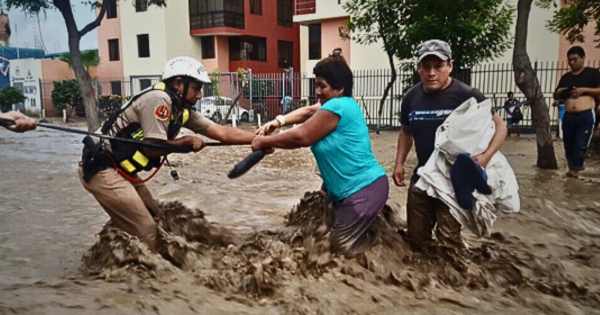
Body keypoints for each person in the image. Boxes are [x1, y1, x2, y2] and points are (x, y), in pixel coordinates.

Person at [78, 56, 257, 251]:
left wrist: (259, 139)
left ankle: (113, 250)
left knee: (158, 217)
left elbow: (222, 132)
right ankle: (144, 275)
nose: (199, 95)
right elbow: (152, 147)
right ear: (179, 83)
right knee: (148, 230)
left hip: (122, 170)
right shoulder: (159, 100)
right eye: (196, 88)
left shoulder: (181, 110)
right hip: (101, 167)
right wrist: (184, 142)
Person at [252, 54, 388, 258]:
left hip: (363, 191)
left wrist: (264, 142)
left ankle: (381, 254)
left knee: (340, 249)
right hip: (355, 191)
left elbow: (301, 137)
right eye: (316, 85)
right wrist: (277, 122)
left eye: (322, 86)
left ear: (340, 88)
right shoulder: (339, 104)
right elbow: (307, 111)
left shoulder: (338, 106)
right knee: (324, 241)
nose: (317, 91)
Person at [392, 39, 507, 251]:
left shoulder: (467, 95)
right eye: (426, 67)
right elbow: (406, 131)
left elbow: (500, 127)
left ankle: (458, 281)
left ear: (450, 66)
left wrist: (485, 157)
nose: (432, 73)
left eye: (438, 66)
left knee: (448, 244)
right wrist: (399, 163)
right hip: (422, 177)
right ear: (419, 68)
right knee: (416, 242)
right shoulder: (411, 97)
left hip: (454, 182)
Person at [554, 46, 600, 178]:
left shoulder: (592, 73)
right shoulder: (566, 77)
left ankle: (575, 172)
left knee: (580, 144)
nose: (572, 63)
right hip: (568, 115)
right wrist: (560, 92)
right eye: (569, 60)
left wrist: (583, 90)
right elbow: (555, 95)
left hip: (585, 115)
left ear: (583, 58)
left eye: (575, 59)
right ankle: (571, 170)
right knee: (568, 145)